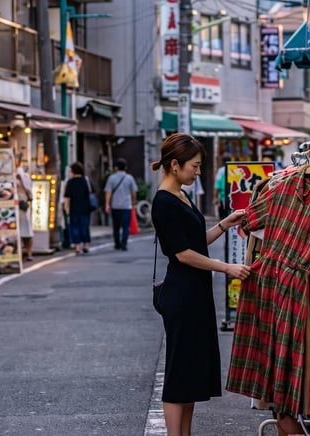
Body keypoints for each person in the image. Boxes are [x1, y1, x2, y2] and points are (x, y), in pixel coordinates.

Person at [150, 132, 251, 435]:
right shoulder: (164, 203)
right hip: (181, 294)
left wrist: (224, 223)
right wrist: (226, 268)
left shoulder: (182, 195)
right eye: (193, 166)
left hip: (195, 293)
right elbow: (182, 254)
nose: (197, 172)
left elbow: (196, 242)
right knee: (179, 371)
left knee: (191, 373)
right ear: (175, 164)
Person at [104, 158, 138, 251]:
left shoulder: (111, 178)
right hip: (127, 206)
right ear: (125, 167)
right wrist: (134, 202)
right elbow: (134, 191)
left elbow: (108, 192)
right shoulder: (129, 178)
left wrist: (107, 204)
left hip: (115, 206)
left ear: (116, 167)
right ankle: (124, 244)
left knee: (116, 226)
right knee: (126, 226)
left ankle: (117, 244)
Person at [63, 162, 92, 255]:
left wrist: (66, 208)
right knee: (84, 227)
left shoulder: (70, 182)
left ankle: (77, 247)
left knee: (75, 227)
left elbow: (67, 197)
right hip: (85, 208)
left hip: (74, 208)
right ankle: (85, 245)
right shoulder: (85, 180)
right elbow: (91, 192)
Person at [15, 166, 34, 261]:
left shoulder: (25, 177)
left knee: (27, 230)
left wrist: (21, 181)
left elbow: (29, 193)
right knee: (14, 231)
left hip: (23, 205)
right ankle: (17, 253)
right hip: (12, 205)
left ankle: (29, 253)